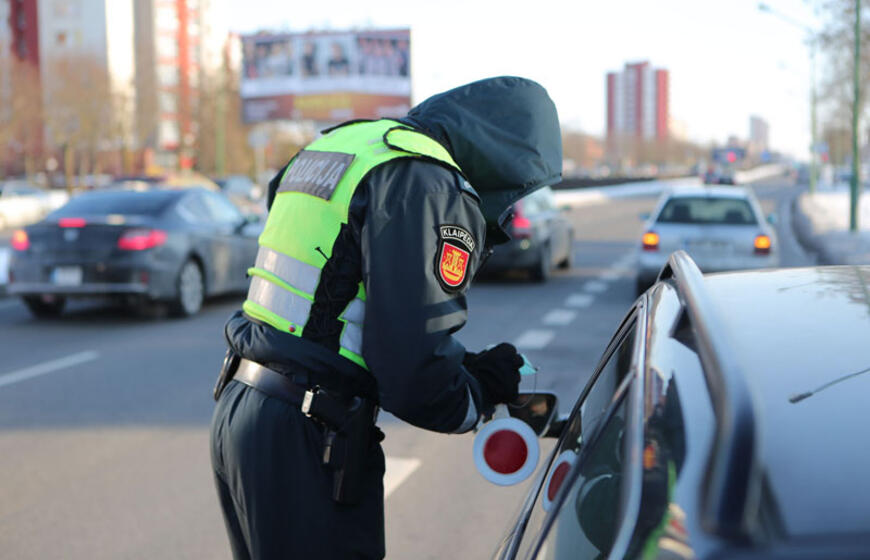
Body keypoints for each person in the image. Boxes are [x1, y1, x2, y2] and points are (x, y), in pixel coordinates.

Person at [210, 76, 562, 559]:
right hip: (308, 433)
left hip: (243, 407)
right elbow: (413, 374)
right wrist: (476, 392)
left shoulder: (344, 145)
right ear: (506, 156)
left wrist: (461, 365)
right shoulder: (427, 179)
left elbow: (332, 296)